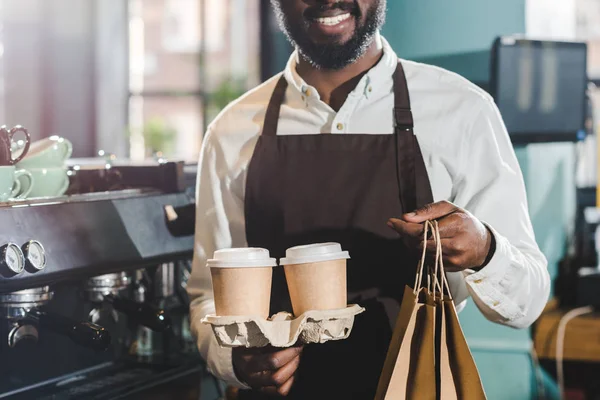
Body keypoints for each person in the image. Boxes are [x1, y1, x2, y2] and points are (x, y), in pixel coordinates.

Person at [187, 0, 551, 398]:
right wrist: (235, 360)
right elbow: (208, 295)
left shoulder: (463, 111)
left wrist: (485, 248)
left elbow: (527, 301)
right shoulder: (232, 131)